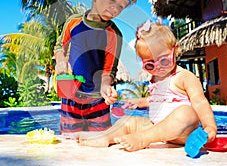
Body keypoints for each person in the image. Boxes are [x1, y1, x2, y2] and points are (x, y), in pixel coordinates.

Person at [71, 21, 217, 151]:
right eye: (149, 64)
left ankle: (143, 138)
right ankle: (105, 137)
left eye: (164, 61)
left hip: (182, 132)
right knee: (128, 122)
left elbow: (200, 102)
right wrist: (139, 102)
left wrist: (209, 127)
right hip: (156, 128)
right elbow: (155, 100)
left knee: (186, 113)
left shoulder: (184, 77)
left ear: (175, 50)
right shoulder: (155, 79)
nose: (158, 67)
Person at [54, 0, 138, 133]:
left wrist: (106, 86)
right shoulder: (73, 22)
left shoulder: (114, 35)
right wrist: (61, 60)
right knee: (68, 144)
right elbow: (59, 46)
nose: (115, 9)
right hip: (71, 97)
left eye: (121, 6)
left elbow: (109, 70)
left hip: (97, 100)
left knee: (100, 144)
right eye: (111, 0)